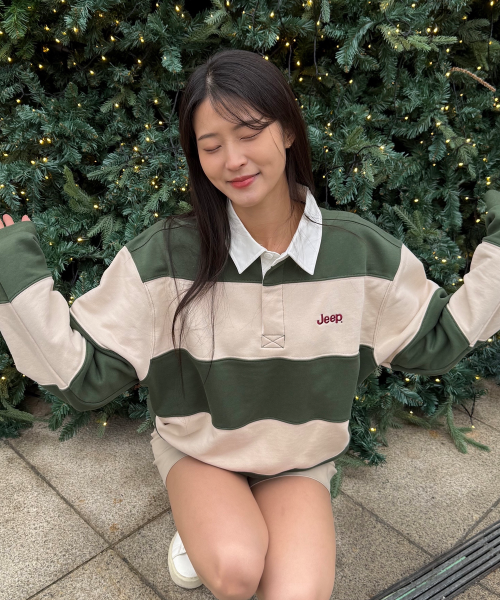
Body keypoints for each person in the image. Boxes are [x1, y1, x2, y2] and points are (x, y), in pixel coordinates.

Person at [1, 48, 500, 600]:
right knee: (237, 570)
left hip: (297, 458)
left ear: (286, 130)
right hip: (201, 449)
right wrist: (14, 279)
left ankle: (227, 524)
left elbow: (437, 340)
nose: (233, 159)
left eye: (249, 133)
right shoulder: (163, 255)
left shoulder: (358, 252)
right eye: (211, 146)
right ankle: (209, 526)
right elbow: (83, 378)